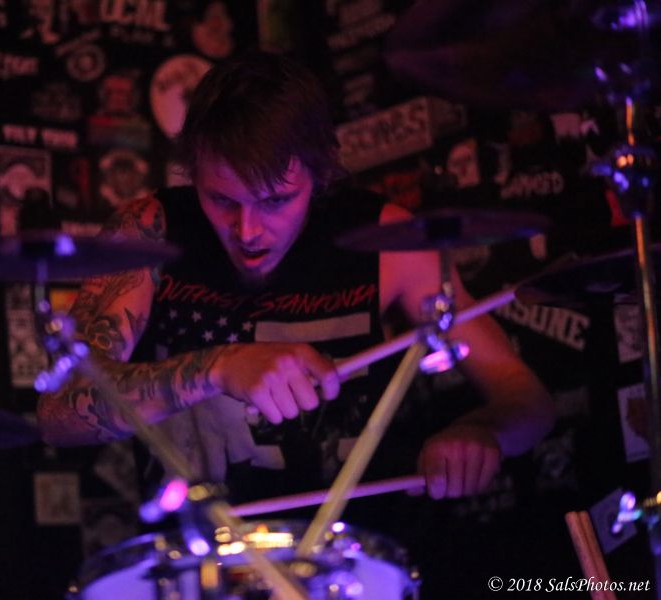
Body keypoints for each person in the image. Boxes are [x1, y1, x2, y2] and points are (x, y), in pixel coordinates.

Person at [37, 51, 556, 505]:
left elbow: (525, 397)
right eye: (222, 200)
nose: (247, 230)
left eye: (275, 201)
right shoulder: (148, 233)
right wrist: (218, 367)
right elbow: (58, 411)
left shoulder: (387, 239)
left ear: (319, 174)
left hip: (353, 553)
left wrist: (481, 432)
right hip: (197, 560)